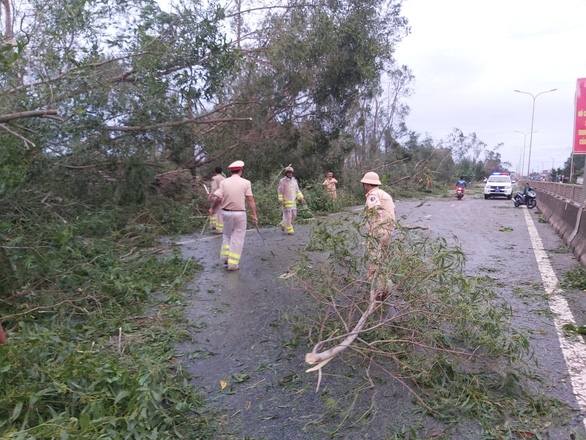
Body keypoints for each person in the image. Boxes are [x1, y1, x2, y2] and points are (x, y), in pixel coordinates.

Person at [209, 161, 258, 271]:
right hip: (240, 213)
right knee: (238, 238)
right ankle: (233, 264)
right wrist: (254, 215)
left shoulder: (224, 182)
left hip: (226, 213)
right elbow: (250, 199)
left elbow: (219, 198)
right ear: (241, 171)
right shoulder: (246, 182)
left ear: (231, 171)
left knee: (227, 235)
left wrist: (212, 208)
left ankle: (226, 258)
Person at [361, 172, 396, 297]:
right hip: (388, 231)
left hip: (378, 232)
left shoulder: (373, 196)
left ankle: (378, 290)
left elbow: (375, 212)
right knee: (383, 259)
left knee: (375, 260)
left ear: (366, 183)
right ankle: (385, 286)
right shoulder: (385, 194)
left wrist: (374, 233)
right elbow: (394, 210)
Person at [278, 166, 306, 236]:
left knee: (294, 215)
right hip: (286, 202)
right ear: (286, 173)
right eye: (288, 173)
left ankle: (283, 224)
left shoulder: (294, 180)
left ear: (292, 173)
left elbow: (297, 190)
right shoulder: (282, 181)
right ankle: (290, 231)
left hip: (293, 202)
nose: (289, 174)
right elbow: (280, 191)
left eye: (291, 173)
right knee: (288, 217)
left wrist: (301, 198)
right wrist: (281, 200)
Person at [208, 167, 225, 233]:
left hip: (216, 196)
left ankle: (213, 226)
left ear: (215, 172)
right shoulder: (224, 179)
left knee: (213, 210)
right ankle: (220, 229)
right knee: (220, 212)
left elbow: (214, 188)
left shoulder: (214, 178)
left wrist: (210, 195)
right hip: (222, 197)